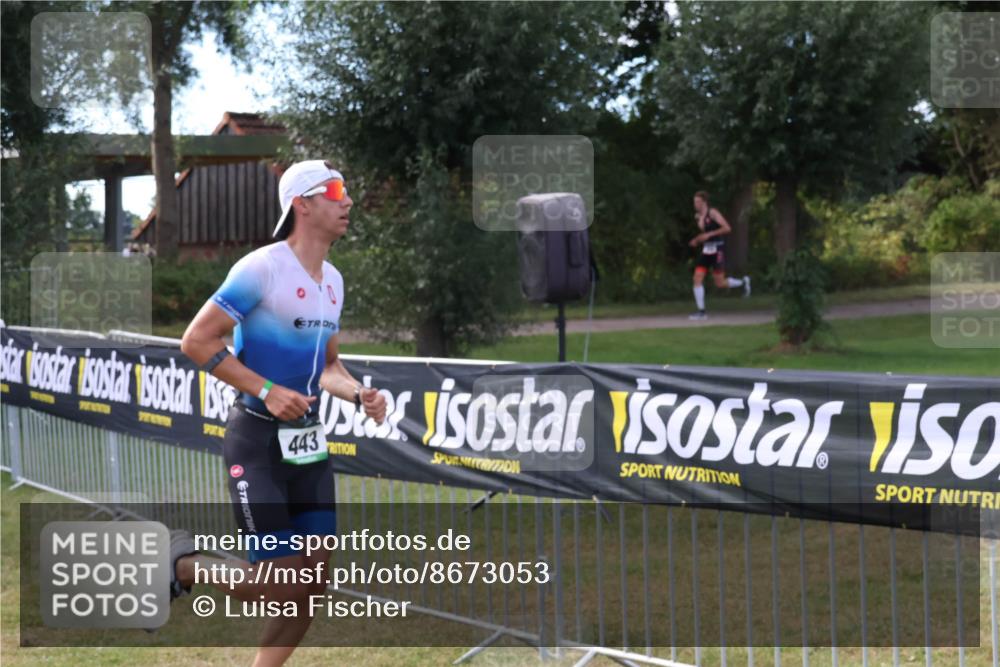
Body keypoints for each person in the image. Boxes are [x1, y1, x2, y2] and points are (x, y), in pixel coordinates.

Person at [177, 160, 387, 666]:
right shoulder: (261, 268)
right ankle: (183, 565)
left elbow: (328, 366)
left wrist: (358, 393)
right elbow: (196, 340)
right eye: (334, 191)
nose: (347, 200)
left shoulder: (333, 280)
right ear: (302, 203)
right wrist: (266, 389)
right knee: (278, 583)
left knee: (312, 583)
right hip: (257, 443)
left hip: (308, 446)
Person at [688, 190, 750, 320]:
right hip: (706, 250)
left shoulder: (713, 213)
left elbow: (727, 228)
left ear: (704, 202)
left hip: (718, 249)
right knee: (697, 278)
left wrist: (709, 234)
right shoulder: (698, 216)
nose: (695, 204)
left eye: (698, 202)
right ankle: (701, 312)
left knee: (720, 283)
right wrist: (697, 240)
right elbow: (705, 235)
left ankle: (743, 283)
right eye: (694, 202)